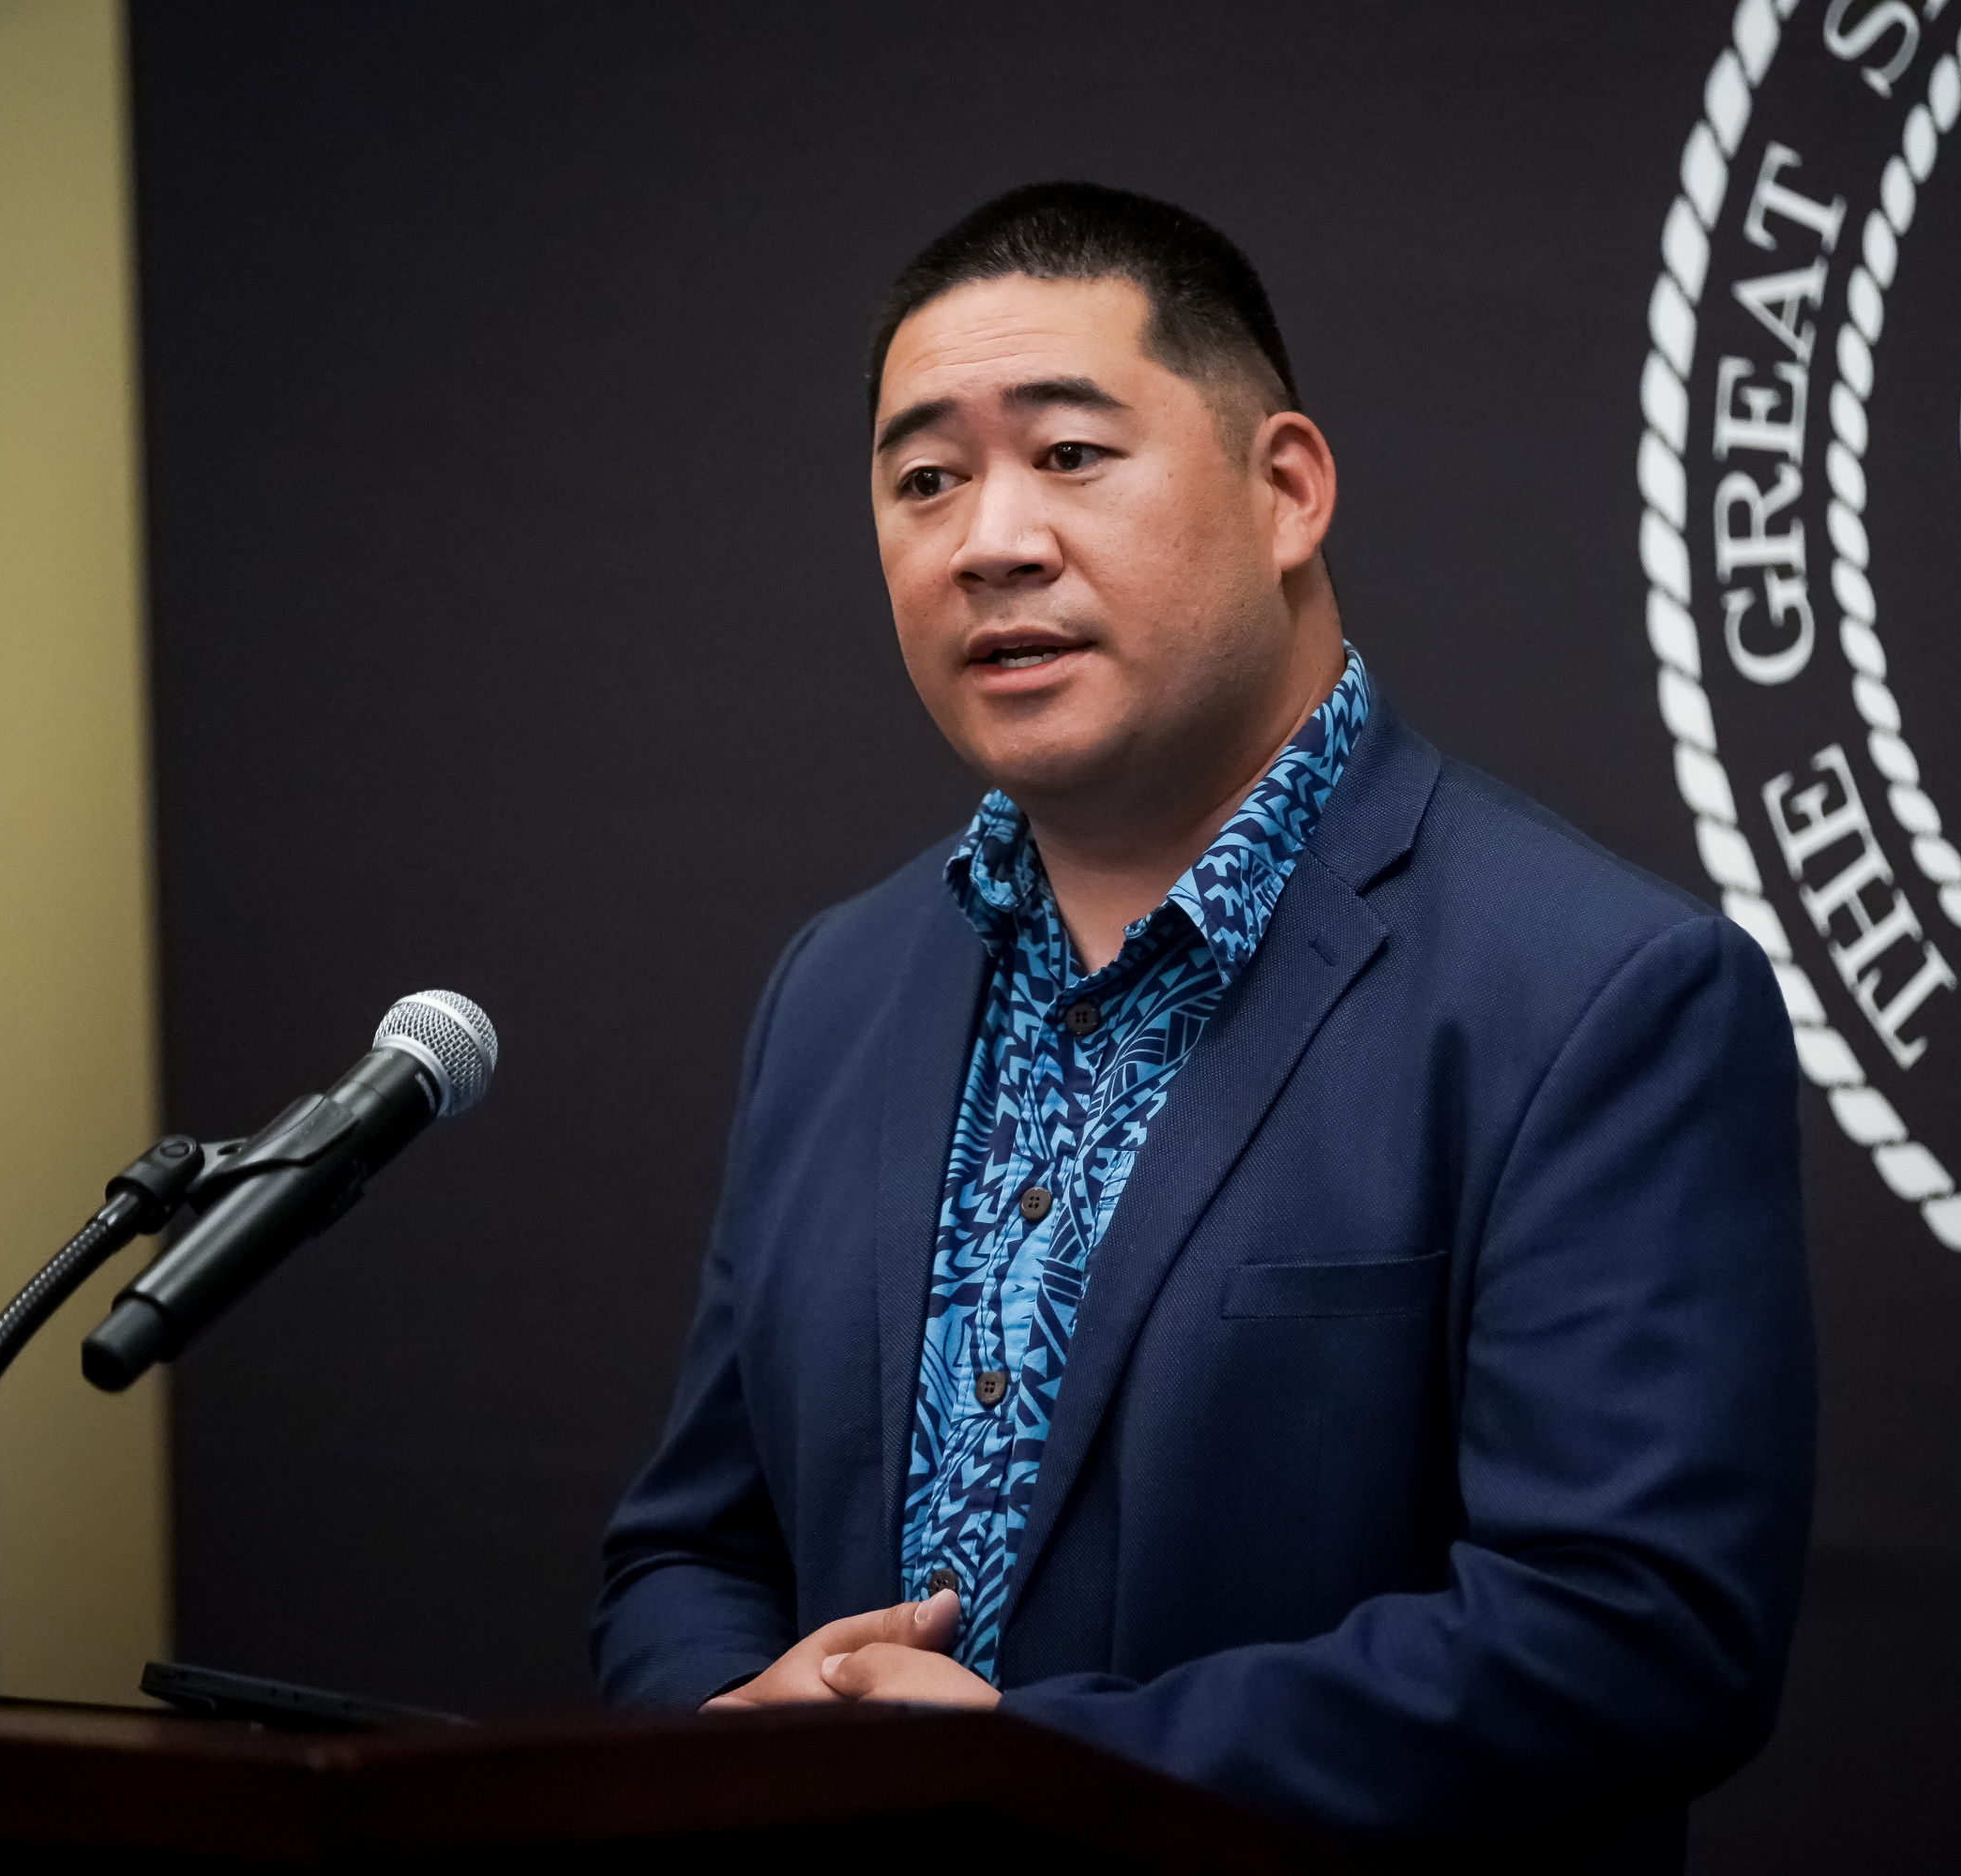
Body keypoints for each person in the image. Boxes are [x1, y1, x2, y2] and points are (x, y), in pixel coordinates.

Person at [593, 180, 1814, 1851]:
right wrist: (724, 1728)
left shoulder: (1595, 991)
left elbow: (1632, 1635)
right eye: (925, 479)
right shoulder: (839, 988)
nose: (991, 538)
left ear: (1287, 488)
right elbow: (691, 1551)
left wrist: (1039, 1769)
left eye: (1072, 455)